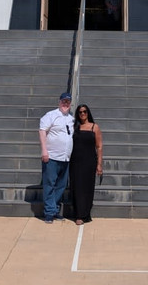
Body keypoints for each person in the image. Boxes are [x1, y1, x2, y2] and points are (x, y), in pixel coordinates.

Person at [38, 91, 74, 223]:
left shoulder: (71, 118)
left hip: (65, 158)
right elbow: (42, 132)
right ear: (59, 102)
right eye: (63, 101)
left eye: (68, 102)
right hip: (52, 157)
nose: (65, 104)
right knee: (49, 184)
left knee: (61, 185)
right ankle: (48, 212)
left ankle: (54, 210)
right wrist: (44, 151)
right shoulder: (51, 115)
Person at [70, 104, 103, 224]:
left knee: (87, 188)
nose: (82, 114)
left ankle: (85, 214)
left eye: (84, 111)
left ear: (88, 113)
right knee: (77, 187)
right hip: (76, 161)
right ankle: (78, 214)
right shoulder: (75, 127)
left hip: (89, 162)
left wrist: (99, 164)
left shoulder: (95, 127)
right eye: (80, 112)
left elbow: (99, 147)